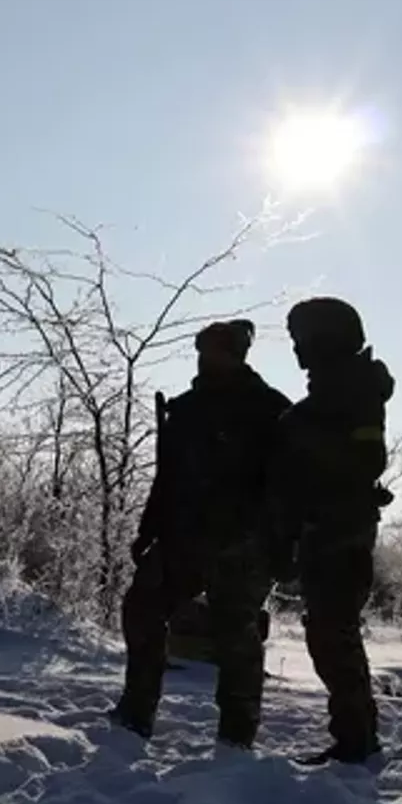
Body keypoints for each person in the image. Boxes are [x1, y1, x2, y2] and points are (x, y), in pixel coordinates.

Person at [111, 320, 288, 748]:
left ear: (236, 354)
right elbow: (166, 477)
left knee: (237, 631)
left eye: (214, 351)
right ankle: (135, 712)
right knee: (142, 608)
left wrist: (279, 542)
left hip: (243, 541)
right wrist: (148, 530)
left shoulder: (270, 409)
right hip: (183, 536)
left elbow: (287, 485)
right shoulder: (187, 409)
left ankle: (237, 733)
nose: (205, 359)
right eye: (202, 351)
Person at [272, 298, 394, 766]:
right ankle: (355, 736)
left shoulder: (354, 390)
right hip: (325, 525)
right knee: (328, 632)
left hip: (340, 527)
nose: (296, 350)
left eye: (301, 339)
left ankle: (356, 739)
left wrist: (300, 433)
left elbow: (367, 459)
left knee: (332, 633)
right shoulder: (333, 389)